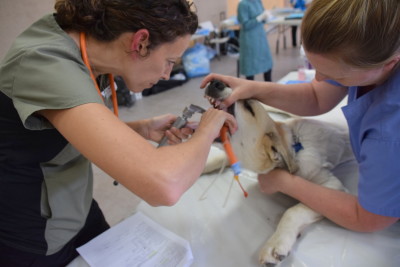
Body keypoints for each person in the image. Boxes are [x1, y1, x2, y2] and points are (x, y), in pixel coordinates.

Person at [0, 0, 237, 266]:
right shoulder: (45, 62)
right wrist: (208, 127)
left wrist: (140, 129)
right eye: (169, 62)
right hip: (33, 233)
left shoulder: (86, 49)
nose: (167, 74)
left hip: (75, 205)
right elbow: (164, 186)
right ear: (141, 42)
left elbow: (64, 130)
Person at [201, 0, 400, 232]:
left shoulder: (388, 133)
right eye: (314, 67)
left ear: (389, 64)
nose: (320, 78)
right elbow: (317, 97)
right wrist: (252, 88)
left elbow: (368, 219)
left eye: (338, 76)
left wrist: (285, 182)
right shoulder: (361, 51)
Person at [237, 0, 273, 81]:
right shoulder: (243, 4)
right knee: (250, 68)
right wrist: (259, 18)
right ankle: (251, 91)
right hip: (249, 40)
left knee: (267, 64)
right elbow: (245, 25)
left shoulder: (258, 1)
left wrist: (266, 17)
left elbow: (263, 17)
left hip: (261, 37)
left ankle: (270, 89)